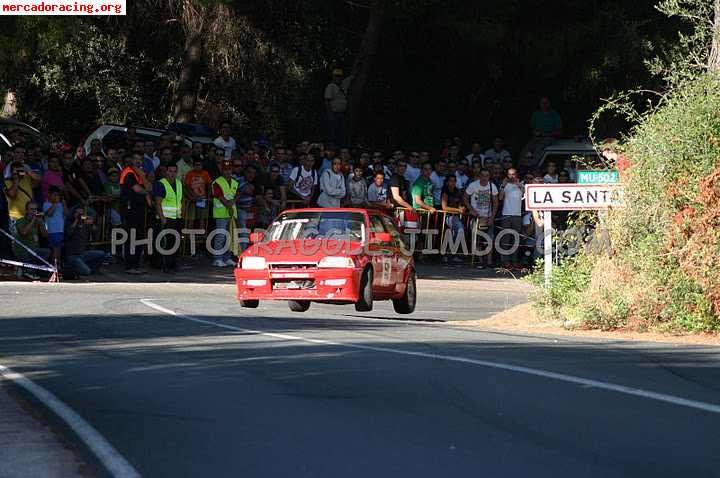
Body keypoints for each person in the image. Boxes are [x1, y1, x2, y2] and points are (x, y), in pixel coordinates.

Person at [119, 153, 151, 274]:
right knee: (131, 237)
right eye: (136, 159)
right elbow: (138, 189)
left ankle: (136, 264)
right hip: (129, 209)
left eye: (140, 159)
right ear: (131, 160)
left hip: (139, 210)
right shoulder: (128, 172)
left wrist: (143, 177)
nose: (138, 161)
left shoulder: (140, 173)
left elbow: (149, 187)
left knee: (139, 236)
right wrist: (146, 190)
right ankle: (130, 266)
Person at [154, 163, 185, 273]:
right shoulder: (161, 184)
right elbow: (158, 202)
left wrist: (182, 214)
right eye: (170, 171)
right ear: (166, 172)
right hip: (166, 218)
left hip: (177, 217)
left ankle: (173, 264)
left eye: (174, 171)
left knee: (176, 242)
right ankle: (165, 265)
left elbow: (181, 200)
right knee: (166, 244)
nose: (172, 173)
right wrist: (162, 218)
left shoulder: (179, 183)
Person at [465, 168, 499, 268]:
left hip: (488, 216)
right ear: (479, 176)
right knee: (477, 239)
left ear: (489, 177)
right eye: (483, 175)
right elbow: (465, 197)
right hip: (476, 217)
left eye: (487, 176)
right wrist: (471, 209)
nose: (484, 178)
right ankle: (480, 260)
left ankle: (489, 262)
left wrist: (492, 217)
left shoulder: (492, 186)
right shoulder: (473, 185)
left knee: (489, 239)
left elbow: (496, 202)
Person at [211, 161, 239, 267]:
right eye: (225, 169)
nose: (228, 172)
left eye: (229, 169)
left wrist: (232, 202)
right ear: (222, 170)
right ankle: (217, 259)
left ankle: (227, 258)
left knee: (229, 236)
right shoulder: (217, 182)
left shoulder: (235, 182)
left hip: (231, 214)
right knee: (220, 236)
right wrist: (230, 203)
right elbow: (222, 198)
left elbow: (237, 195)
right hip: (221, 214)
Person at [12, 202, 50, 279]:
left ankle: (30, 269)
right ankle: (27, 270)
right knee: (28, 254)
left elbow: (45, 235)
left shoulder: (37, 221)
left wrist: (41, 224)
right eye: (31, 209)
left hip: (34, 249)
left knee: (47, 252)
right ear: (27, 211)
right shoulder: (21, 221)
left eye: (35, 209)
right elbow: (23, 232)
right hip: (23, 250)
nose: (34, 211)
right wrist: (33, 221)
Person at [498, 168, 524, 268]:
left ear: (516, 174)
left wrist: (519, 185)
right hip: (506, 214)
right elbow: (500, 198)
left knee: (516, 238)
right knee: (505, 238)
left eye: (513, 174)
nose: (511, 176)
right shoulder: (505, 185)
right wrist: (503, 185)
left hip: (517, 215)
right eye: (509, 174)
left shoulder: (521, 184)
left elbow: (525, 194)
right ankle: (505, 261)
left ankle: (514, 261)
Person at [526, 96, 563, 164]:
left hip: (550, 137)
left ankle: (534, 166)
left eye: (545, 103)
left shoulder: (554, 114)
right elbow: (532, 129)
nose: (543, 105)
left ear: (549, 103)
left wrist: (546, 134)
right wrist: (535, 132)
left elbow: (559, 131)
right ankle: (524, 167)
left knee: (540, 148)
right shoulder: (536, 114)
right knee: (527, 149)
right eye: (542, 103)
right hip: (537, 137)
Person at [5, 161, 40, 230]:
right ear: (11, 172)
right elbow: (12, 195)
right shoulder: (6, 182)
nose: (19, 173)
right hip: (16, 218)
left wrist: (27, 171)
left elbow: (38, 179)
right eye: (16, 171)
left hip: (29, 216)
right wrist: (16, 179)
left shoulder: (26, 179)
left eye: (20, 171)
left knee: (30, 239)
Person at [441, 175, 466, 264]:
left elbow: (460, 203)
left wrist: (462, 208)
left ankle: (451, 254)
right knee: (459, 230)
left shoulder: (457, 191)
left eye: (454, 181)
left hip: (457, 217)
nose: (452, 183)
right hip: (449, 216)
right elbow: (444, 207)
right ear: (447, 182)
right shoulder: (445, 192)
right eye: (450, 181)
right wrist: (458, 210)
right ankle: (448, 254)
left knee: (456, 234)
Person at [43, 187, 68, 265]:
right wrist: (55, 203)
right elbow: (49, 213)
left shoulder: (61, 204)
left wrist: (64, 205)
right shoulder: (46, 204)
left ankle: (58, 267)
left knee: (58, 250)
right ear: (49, 195)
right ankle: (54, 267)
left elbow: (67, 214)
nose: (57, 197)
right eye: (55, 195)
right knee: (54, 250)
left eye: (57, 195)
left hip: (60, 231)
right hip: (52, 231)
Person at [324, 68, 349, 147]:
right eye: (336, 76)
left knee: (341, 134)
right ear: (333, 77)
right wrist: (330, 114)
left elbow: (351, 77)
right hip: (334, 114)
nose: (338, 78)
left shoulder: (344, 84)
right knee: (333, 134)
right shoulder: (330, 87)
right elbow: (327, 101)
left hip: (342, 114)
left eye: (339, 76)